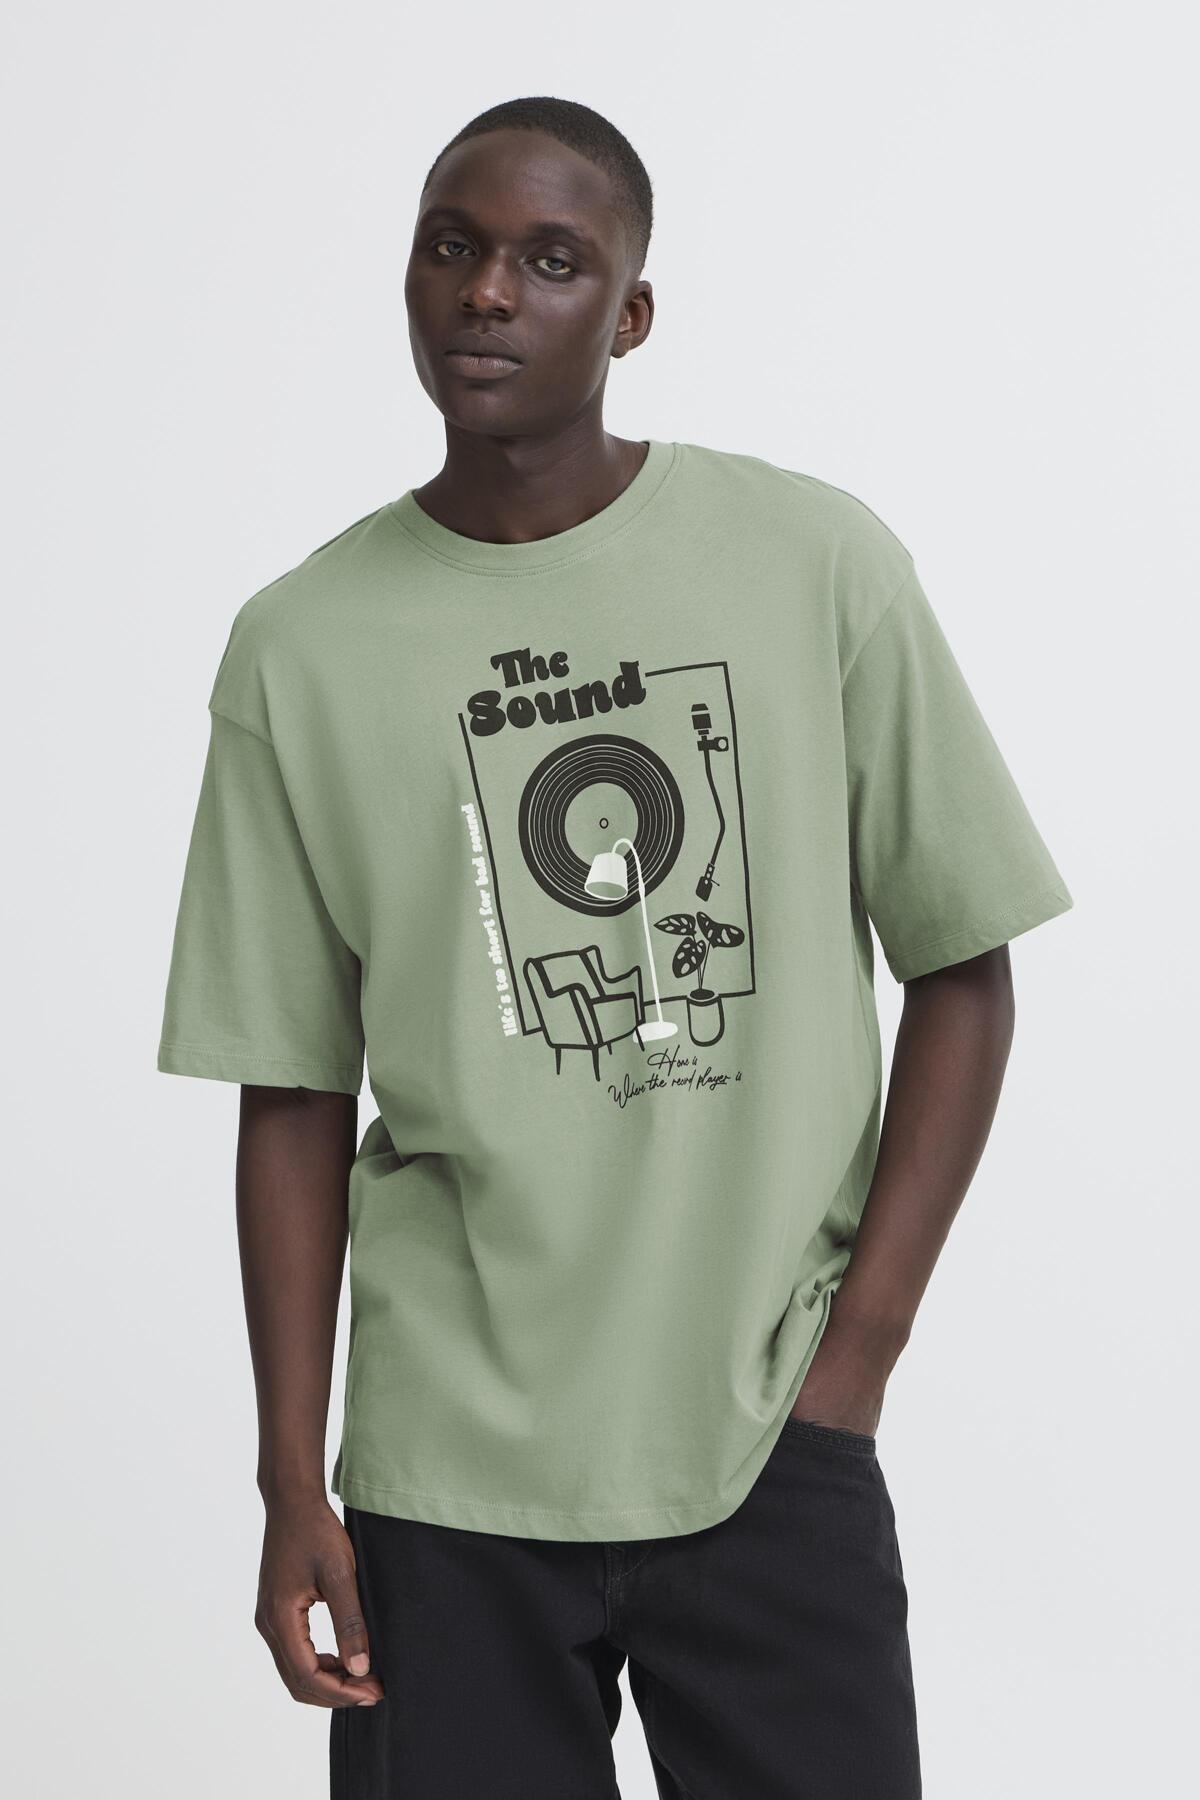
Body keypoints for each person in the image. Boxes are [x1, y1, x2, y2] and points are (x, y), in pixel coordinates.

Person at [157, 95, 1073, 1800]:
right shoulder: (300, 646)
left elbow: (964, 963)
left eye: (551, 260)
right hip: (447, 1476)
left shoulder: (815, 565)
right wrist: (291, 1478)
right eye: (453, 248)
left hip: (766, 1428)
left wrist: (856, 1360)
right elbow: (289, 1083)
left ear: (631, 314)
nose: (489, 292)